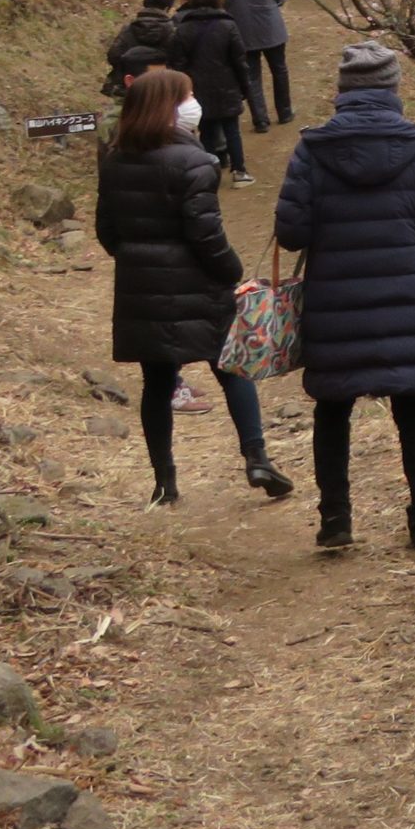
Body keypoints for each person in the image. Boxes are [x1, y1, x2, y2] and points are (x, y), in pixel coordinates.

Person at [276, 42, 415, 552]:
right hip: (406, 294)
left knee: (332, 408)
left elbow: (292, 231)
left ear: (342, 92)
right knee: (412, 406)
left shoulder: (313, 149)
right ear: (392, 90)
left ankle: (336, 521)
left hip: (335, 301)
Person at [92, 68, 295, 508]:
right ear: (170, 105)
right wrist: (230, 271)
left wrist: (139, 261)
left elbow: (106, 231)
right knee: (231, 367)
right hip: (200, 287)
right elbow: (206, 235)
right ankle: (256, 456)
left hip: (140, 287)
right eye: (187, 96)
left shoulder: (114, 159)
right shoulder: (195, 162)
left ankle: (164, 483)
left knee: (157, 383)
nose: (193, 104)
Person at [168, 0, 254, 185]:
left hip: (196, 87)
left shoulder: (183, 28)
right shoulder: (228, 25)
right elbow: (239, 60)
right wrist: (245, 87)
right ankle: (239, 171)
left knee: (205, 131)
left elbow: (177, 64)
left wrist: (182, 91)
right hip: (227, 85)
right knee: (232, 130)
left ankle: (208, 174)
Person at [215, 0, 292, 131]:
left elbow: (220, 2)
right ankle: (285, 112)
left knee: (251, 76)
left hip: (242, 31)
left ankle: (260, 120)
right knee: (279, 70)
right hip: (272, 29)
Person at [103, 0, 178, 97]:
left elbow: (114, 55)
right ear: (167, 8)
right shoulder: (173, 32)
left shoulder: (129, 29)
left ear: (145, 3)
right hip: (161, 88)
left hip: (129, 87)